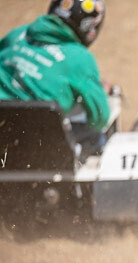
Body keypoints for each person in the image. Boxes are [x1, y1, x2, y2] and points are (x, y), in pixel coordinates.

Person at [0, 0, 109, 157]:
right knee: (96, 137)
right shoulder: (80, 59)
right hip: (41, 150)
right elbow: (100, 119)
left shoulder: (17, 34)